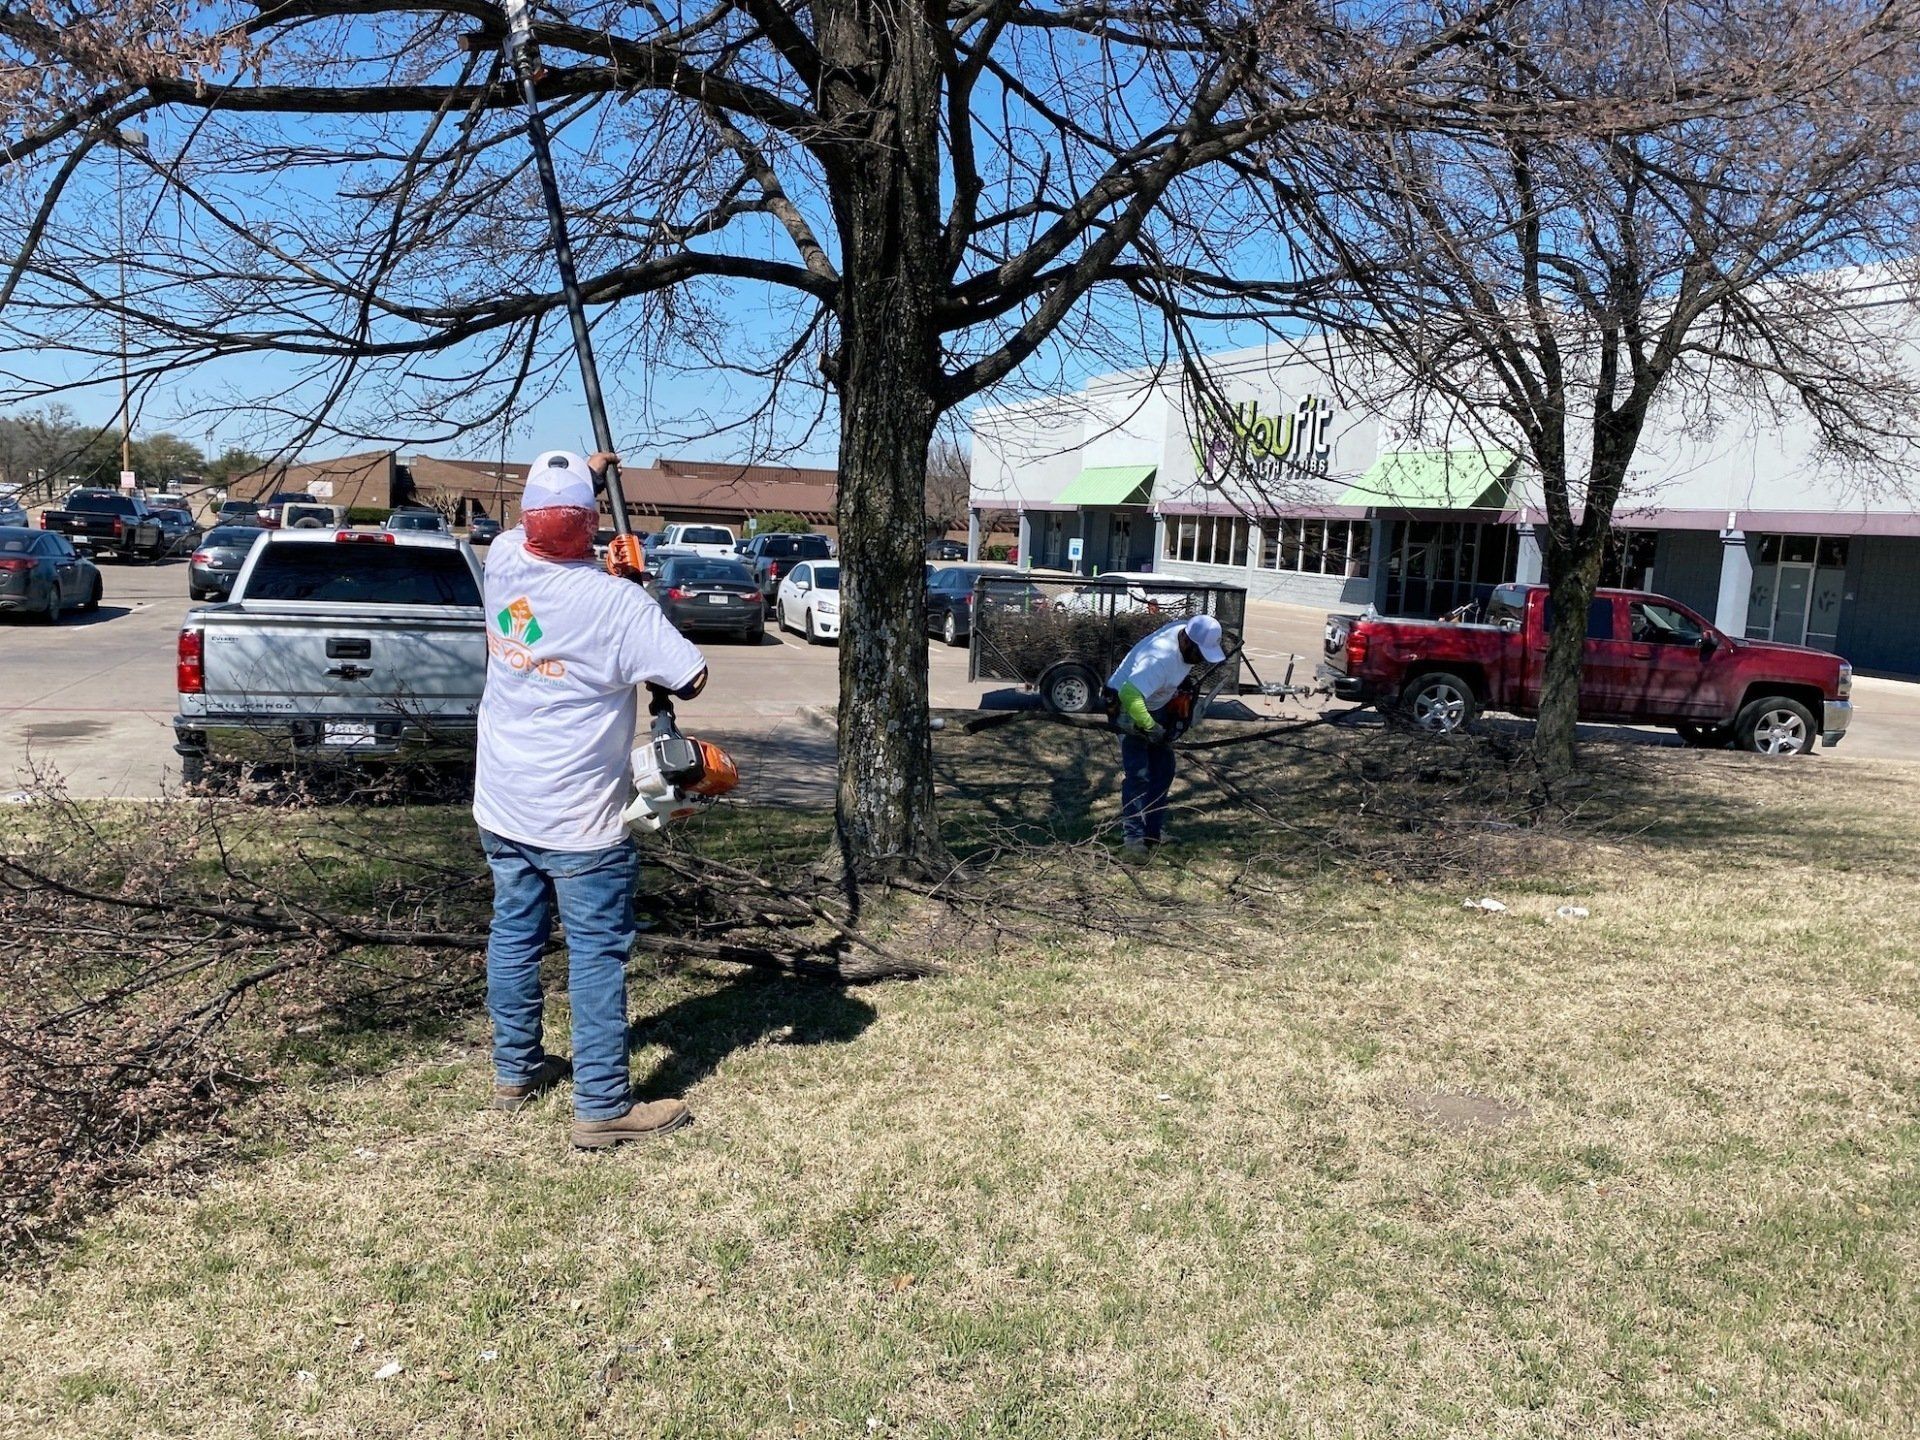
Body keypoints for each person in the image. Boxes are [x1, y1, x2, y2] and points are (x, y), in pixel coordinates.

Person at [473, 448, 710, 1149]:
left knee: (514, 933)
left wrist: (587, 470)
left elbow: (549, 525)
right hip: (579, 818)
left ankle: (515, 1069)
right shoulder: (617, 604)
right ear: (592, 521)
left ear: (529, 518)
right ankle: (602, 1106)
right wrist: (634, 582)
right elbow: (690, 677)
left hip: (504, 801)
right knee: (596, 954)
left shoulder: (504, 560)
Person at [1105, 613, 1228, 855]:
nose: (1200, 660)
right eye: (1199, 654)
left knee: (1163, 769)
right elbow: (1130, 695)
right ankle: (1133, 839)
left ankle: (1152, 831)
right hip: (1126, 705)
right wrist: (1151, 728)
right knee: (1139, 773)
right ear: (1185, 642)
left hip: (1153, 701)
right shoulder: (1161, 659)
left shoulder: (1185, 630)